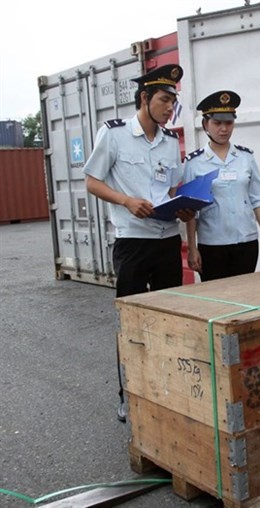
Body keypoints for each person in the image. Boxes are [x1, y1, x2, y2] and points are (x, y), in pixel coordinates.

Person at [83, 63, 194, 423]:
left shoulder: (170, 142)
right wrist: (126, 201)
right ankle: (127, 395)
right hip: (132, 243)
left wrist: (184, 208)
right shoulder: (114, 135)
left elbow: (173, 189)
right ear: (144, 98)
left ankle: (165, 390)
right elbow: (92, 181)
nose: (168, 108)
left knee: (167, 320)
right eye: (164, 100)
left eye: (173, 102)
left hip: (165, 242)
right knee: (132, 322)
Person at [183, 90, 260, 281]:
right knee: (217, 302)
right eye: (217, 123)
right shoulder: (194, 163)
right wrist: (192, 248)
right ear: (205, 124)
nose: (223, 129)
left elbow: (257, 199)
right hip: (212, 245)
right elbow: (191, 212)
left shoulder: (246, 157)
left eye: (229, 123)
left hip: (245, 241)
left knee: (245, 297)